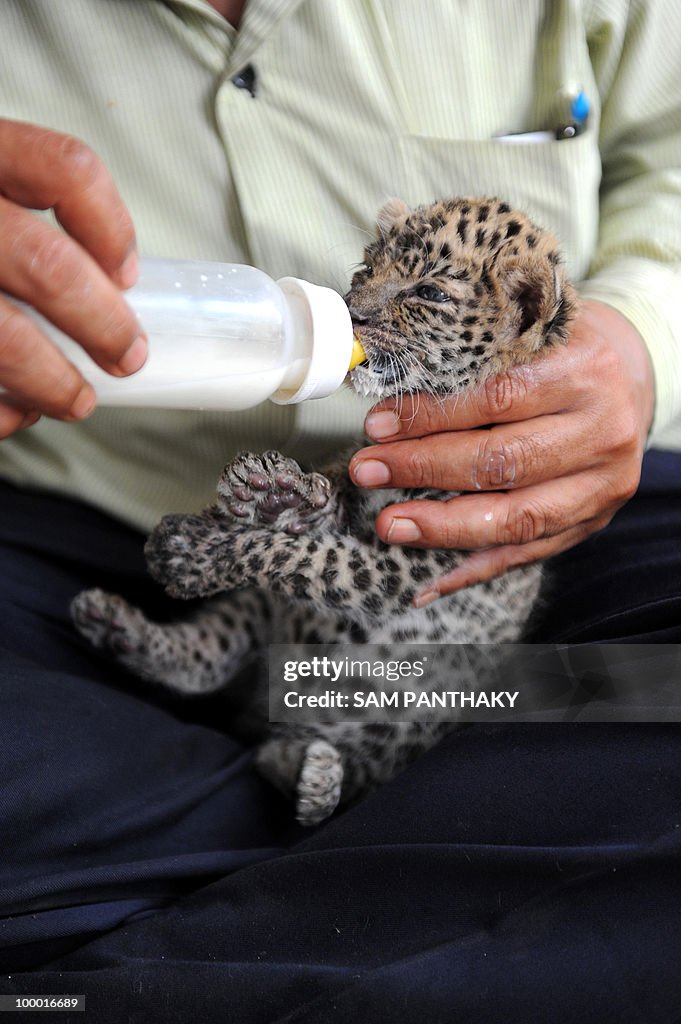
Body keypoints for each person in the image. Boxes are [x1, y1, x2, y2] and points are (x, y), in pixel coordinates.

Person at [1, 1, 680, 1019]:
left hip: (550, 515)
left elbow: (668, 139)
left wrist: (642, 342)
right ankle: (426, 868)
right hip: (62, 513)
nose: (365, 312)